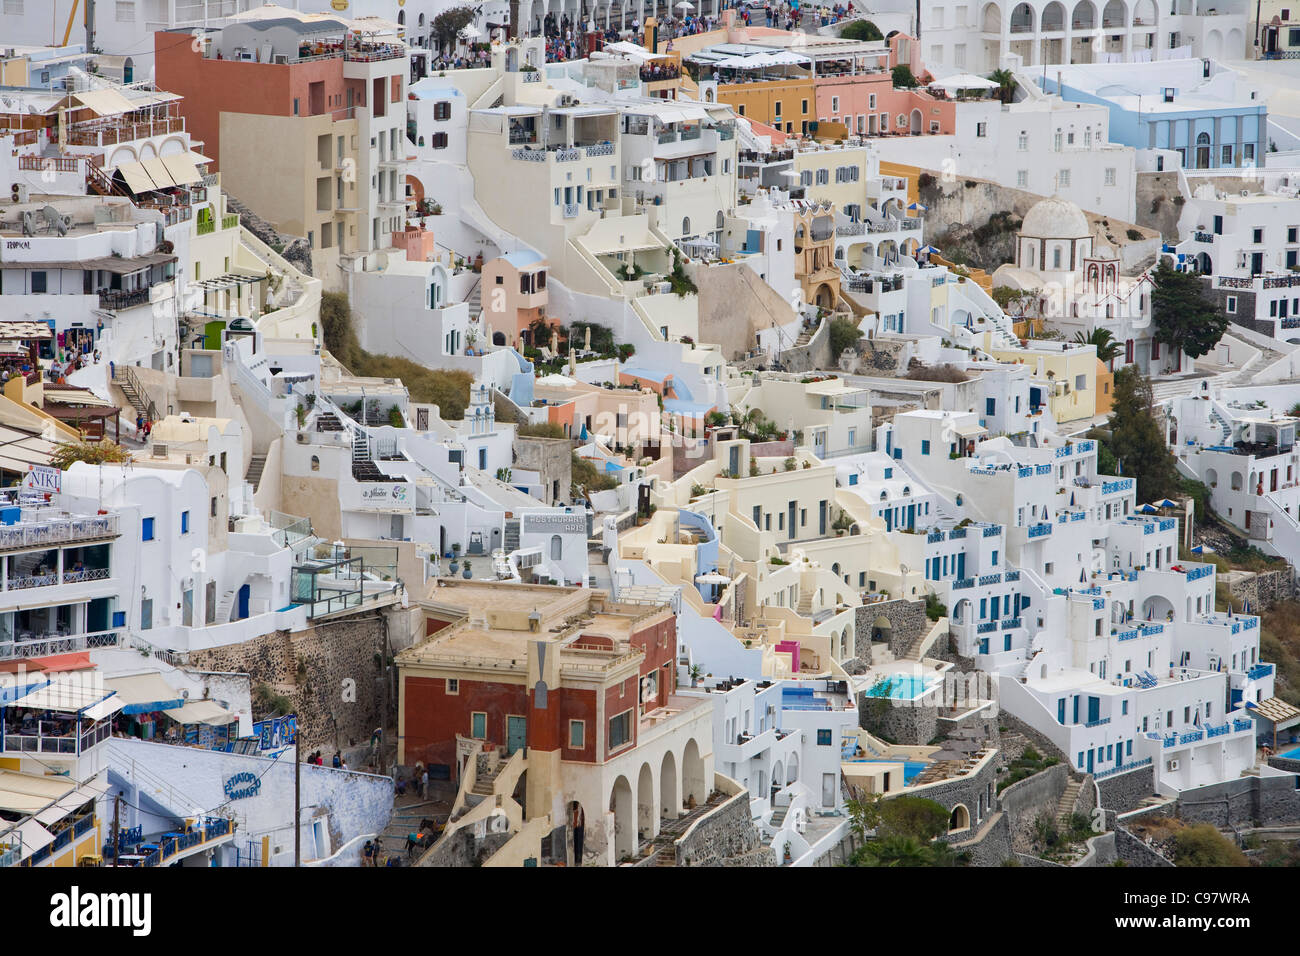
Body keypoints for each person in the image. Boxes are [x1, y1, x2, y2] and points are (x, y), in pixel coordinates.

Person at [571, 802, 585, 866]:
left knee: (578, 843)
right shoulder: (575, 810)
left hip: (579, 826)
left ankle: (578, 859)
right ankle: (577, 859)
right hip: (575, 826)